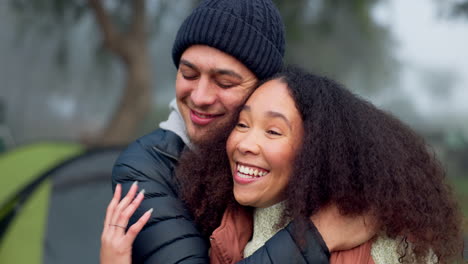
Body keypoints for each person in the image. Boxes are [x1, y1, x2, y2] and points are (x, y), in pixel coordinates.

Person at [102, 0, 373, 263]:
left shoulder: (307, 166)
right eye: (189, 74)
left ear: (263, 89)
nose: (200, 96)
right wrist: (317, 235)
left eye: (225, 82)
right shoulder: (147, 167)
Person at [175, 66, 464, 263]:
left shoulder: (382, 245)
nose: (245, 143)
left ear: (316, 151)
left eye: (273, 131)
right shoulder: (221, 225)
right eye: (242, 124)